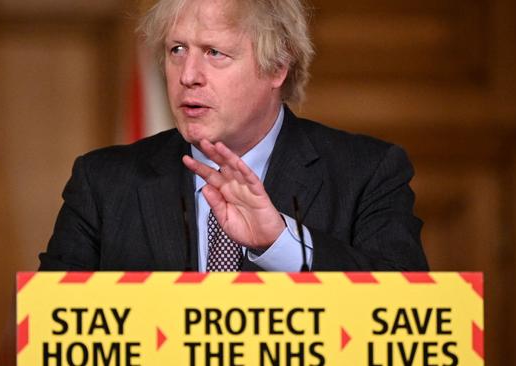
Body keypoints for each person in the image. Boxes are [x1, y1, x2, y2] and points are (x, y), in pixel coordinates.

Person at [38, 0, 428, 272]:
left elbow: (407, 311)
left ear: (277, 67)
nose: (187, 75)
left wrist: (282, 246)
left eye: (213, 53)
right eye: (177, 49)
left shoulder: (369, 173)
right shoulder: (103, 182)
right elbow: (46, 329)